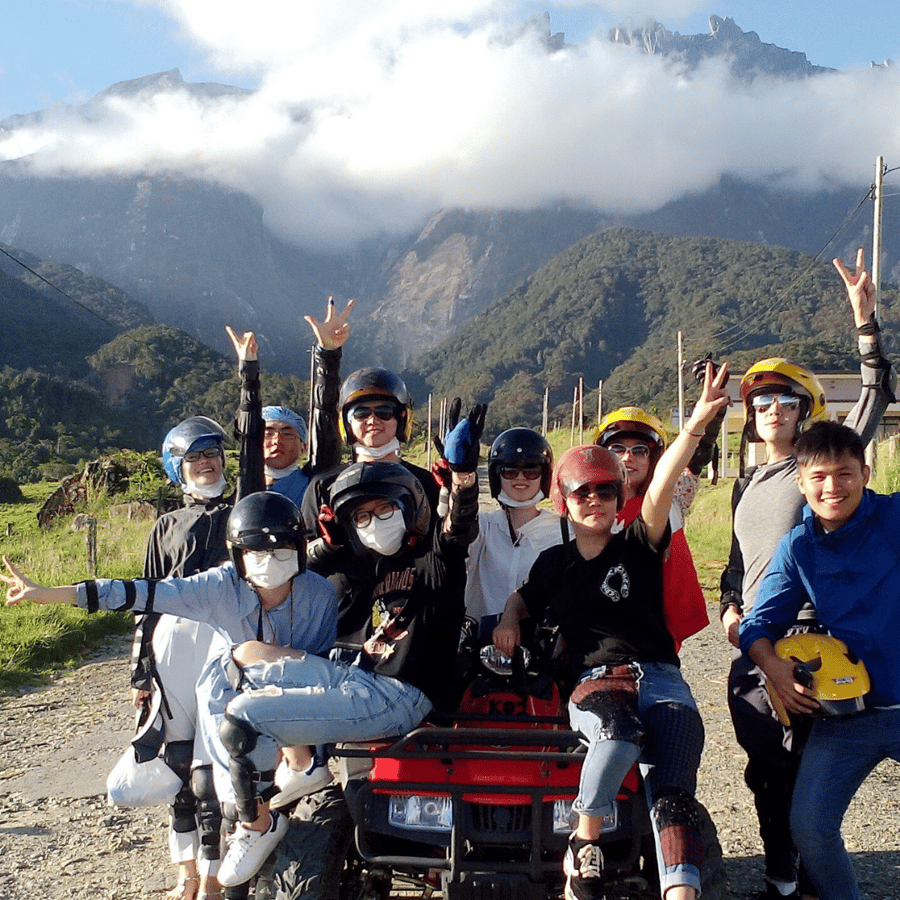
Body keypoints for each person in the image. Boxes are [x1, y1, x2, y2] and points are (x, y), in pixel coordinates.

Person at [1, 491, 338, 899]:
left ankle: (299, 772)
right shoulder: (218, 586)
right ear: (237, 555)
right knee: (224, 774)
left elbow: (320, 664)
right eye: (256, 551)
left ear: (300, 549)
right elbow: (142, 592)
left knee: (258, 669)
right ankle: (252, 830)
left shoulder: (321, 594)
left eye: (281, 549)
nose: (270, 560)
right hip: (238, 703)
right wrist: (49, 593)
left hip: (298, 703)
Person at [209, 404, 484, 887]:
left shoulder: (433, 564)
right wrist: (327, 548)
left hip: (399, 696)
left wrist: (462, 481)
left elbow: (455, 531)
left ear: (407, 510)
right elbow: (302, 580)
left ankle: (258, 822)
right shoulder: (367, 563)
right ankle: (298, 770)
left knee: (244, 718)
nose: (375, 522)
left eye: (385, 511)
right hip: (358, 676)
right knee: (244, 664)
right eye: (364, 516)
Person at [493, 362, 730, 900]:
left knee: (674, 794)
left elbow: (664, 486)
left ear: (620, 496)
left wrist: (697, 424)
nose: (595, 500)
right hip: (598, 680)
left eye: (606, 490)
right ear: (565, 500)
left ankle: (682, 891)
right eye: (583, 492)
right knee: (617, 733)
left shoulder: (640, 544)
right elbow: (523, 599)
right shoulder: (554, 563)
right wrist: (508, 620)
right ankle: (584, 844)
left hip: (663, 678)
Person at [719, 249, 894, 900]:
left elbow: (874, 396)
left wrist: (865, 323)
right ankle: (783, 879)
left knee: (805, 775)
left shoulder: (819, 466)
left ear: (804, 409)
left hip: (817, 644)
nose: (772, 408)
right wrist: (731, 609)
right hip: (759, 642)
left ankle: (814, 880)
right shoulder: (746, 483)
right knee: (766, 772)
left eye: (785, 400)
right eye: (761, 400)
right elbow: (738, 567)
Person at [739, 420, 900, 900]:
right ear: (801, 483)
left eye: (845, 473)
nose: (833, 487)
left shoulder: (894, 518)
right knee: (810, 828)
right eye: (819, 477)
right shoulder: (799, 546)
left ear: (865, 474)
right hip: (849, 714)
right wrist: (774, 670)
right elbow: (757, 625)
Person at [131, 415, 234, 900]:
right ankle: (185, 871)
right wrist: (140, 674)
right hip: (172, 644)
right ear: (177, 468)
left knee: (212, 764)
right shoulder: (165, 526)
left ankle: (214, 874)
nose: (206, 462)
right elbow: (146, 599)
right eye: (194, 456)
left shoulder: (244, 509)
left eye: (212, 453)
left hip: (224, 640)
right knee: (177, 761)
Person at [595, 407, 710, 650]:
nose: (628, 458)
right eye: (617, 448)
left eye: (640, 450)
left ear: (654, 460)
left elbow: (681, 471)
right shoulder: (589, 509)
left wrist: (705, 423)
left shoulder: (669, 501)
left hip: (657, 634)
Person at [463, 428, 559, 630]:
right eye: (509, 470)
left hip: (543, 639)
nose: (520, 477)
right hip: (483, 637)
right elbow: (452, 541)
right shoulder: (484, 526)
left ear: (544, 475)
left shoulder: (563, 531)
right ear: (496, 476)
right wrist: (459, 487)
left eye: (531, 470)